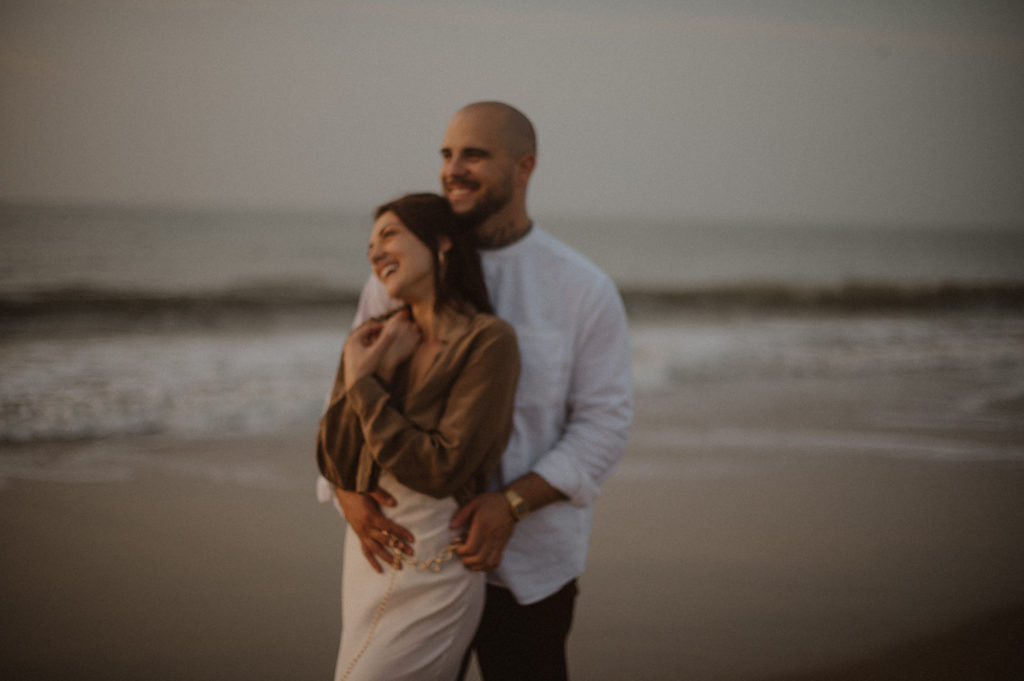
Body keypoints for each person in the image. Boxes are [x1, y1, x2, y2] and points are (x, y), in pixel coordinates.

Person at [328, 101, 633, 680]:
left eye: (474, 154)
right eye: (446, 154)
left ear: (525, 167)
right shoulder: (396, 273)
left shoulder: (582, 288)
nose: (453, 168)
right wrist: (345, 490)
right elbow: (348, 388)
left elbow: (604, 425)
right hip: (410, 552)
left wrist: (512, 504)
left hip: (527, 564)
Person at [316, 193, 520, 681]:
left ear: (442, 242)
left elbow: (441, 468)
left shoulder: (487, 341)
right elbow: (336, 460)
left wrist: (364, 385)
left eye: (388, 234)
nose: (374, 251)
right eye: (370, 244)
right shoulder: (371, 337)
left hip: (436, 561)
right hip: (370, 556)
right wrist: (373, 368)